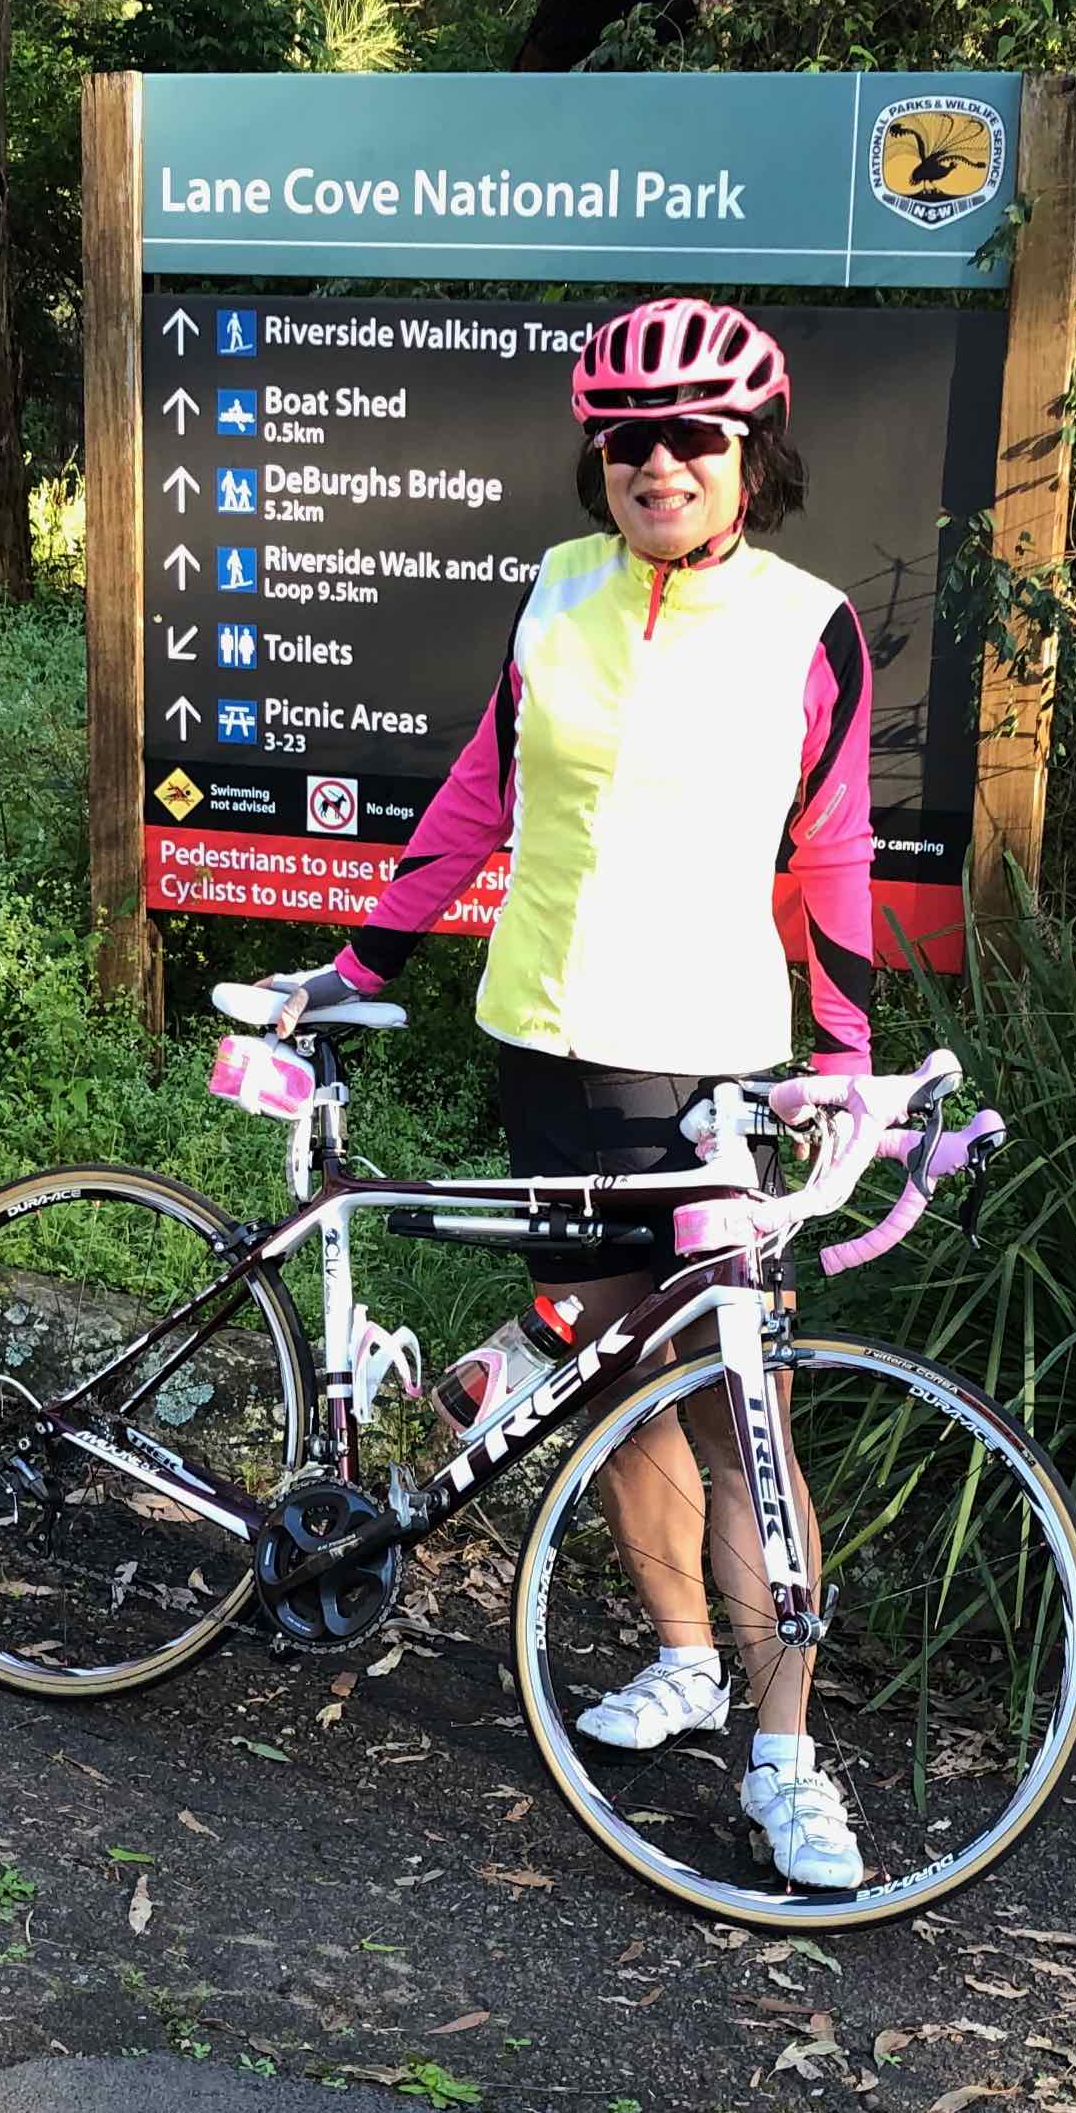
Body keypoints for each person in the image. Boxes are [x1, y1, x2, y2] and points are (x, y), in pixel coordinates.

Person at [264, 296, 874, 1887]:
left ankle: (786, 1751)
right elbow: (482, 788)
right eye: (628, 441)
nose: (657, 464)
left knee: (747, 1414)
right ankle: (681, 1656)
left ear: (753, 459)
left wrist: (848, 1055)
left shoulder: (811, 625)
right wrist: (369, 961)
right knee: (610, 1376)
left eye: (693, 440)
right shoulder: (554, 592)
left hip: (717, 1066)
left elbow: (837, 849)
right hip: (544, 1037)